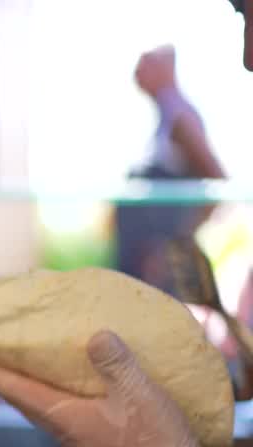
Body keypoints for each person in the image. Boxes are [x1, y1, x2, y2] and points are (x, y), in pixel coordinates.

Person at [0, 2, 253, 447]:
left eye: (247, 15)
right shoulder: (159, 120)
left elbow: (216, 185)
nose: (247, 55)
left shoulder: (181, 114)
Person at [114, 44, 225, 294]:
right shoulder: (165, 116)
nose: (138, 71)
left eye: (147, 62)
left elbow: (218, 181)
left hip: (157, 265)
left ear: (166, 69)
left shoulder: (179, 118)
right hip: (142, 256)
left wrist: (173, 244)